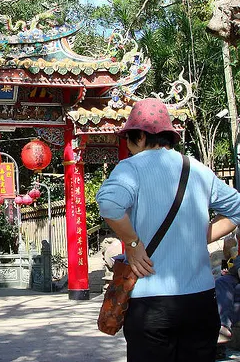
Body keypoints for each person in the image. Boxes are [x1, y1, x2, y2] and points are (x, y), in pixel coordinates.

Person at [95, 98, 240, 362]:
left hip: (151, 302)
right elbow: (236, 209)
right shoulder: (198, 169)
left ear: (140, 136)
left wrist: (133, 243)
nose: (127, 146)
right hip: (200, 301)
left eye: (128, 138)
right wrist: (201, 236)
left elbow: (108, 203)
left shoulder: (132, 167)